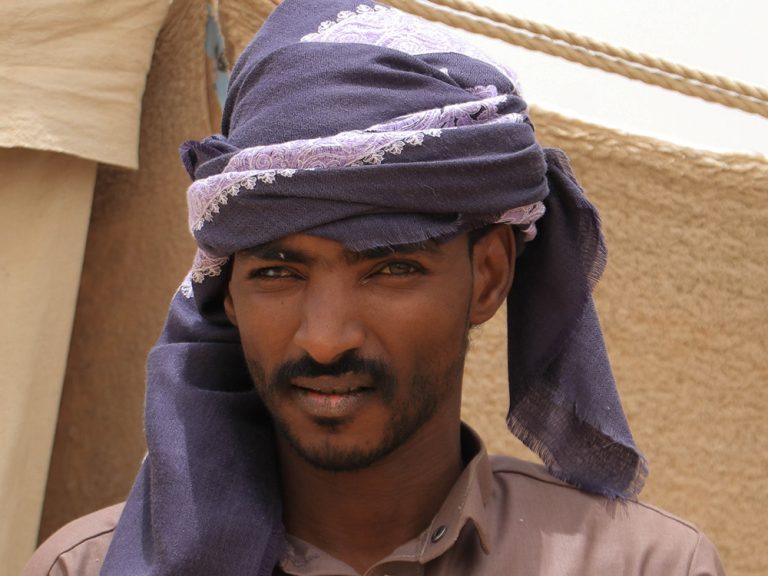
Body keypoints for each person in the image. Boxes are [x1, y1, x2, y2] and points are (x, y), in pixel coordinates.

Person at [24, 1, 725, 574]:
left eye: (391, 268)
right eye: (276, 272)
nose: (326, 339)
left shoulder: (643, 565)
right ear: (226, 292)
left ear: (488, 278)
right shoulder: (82, 569)